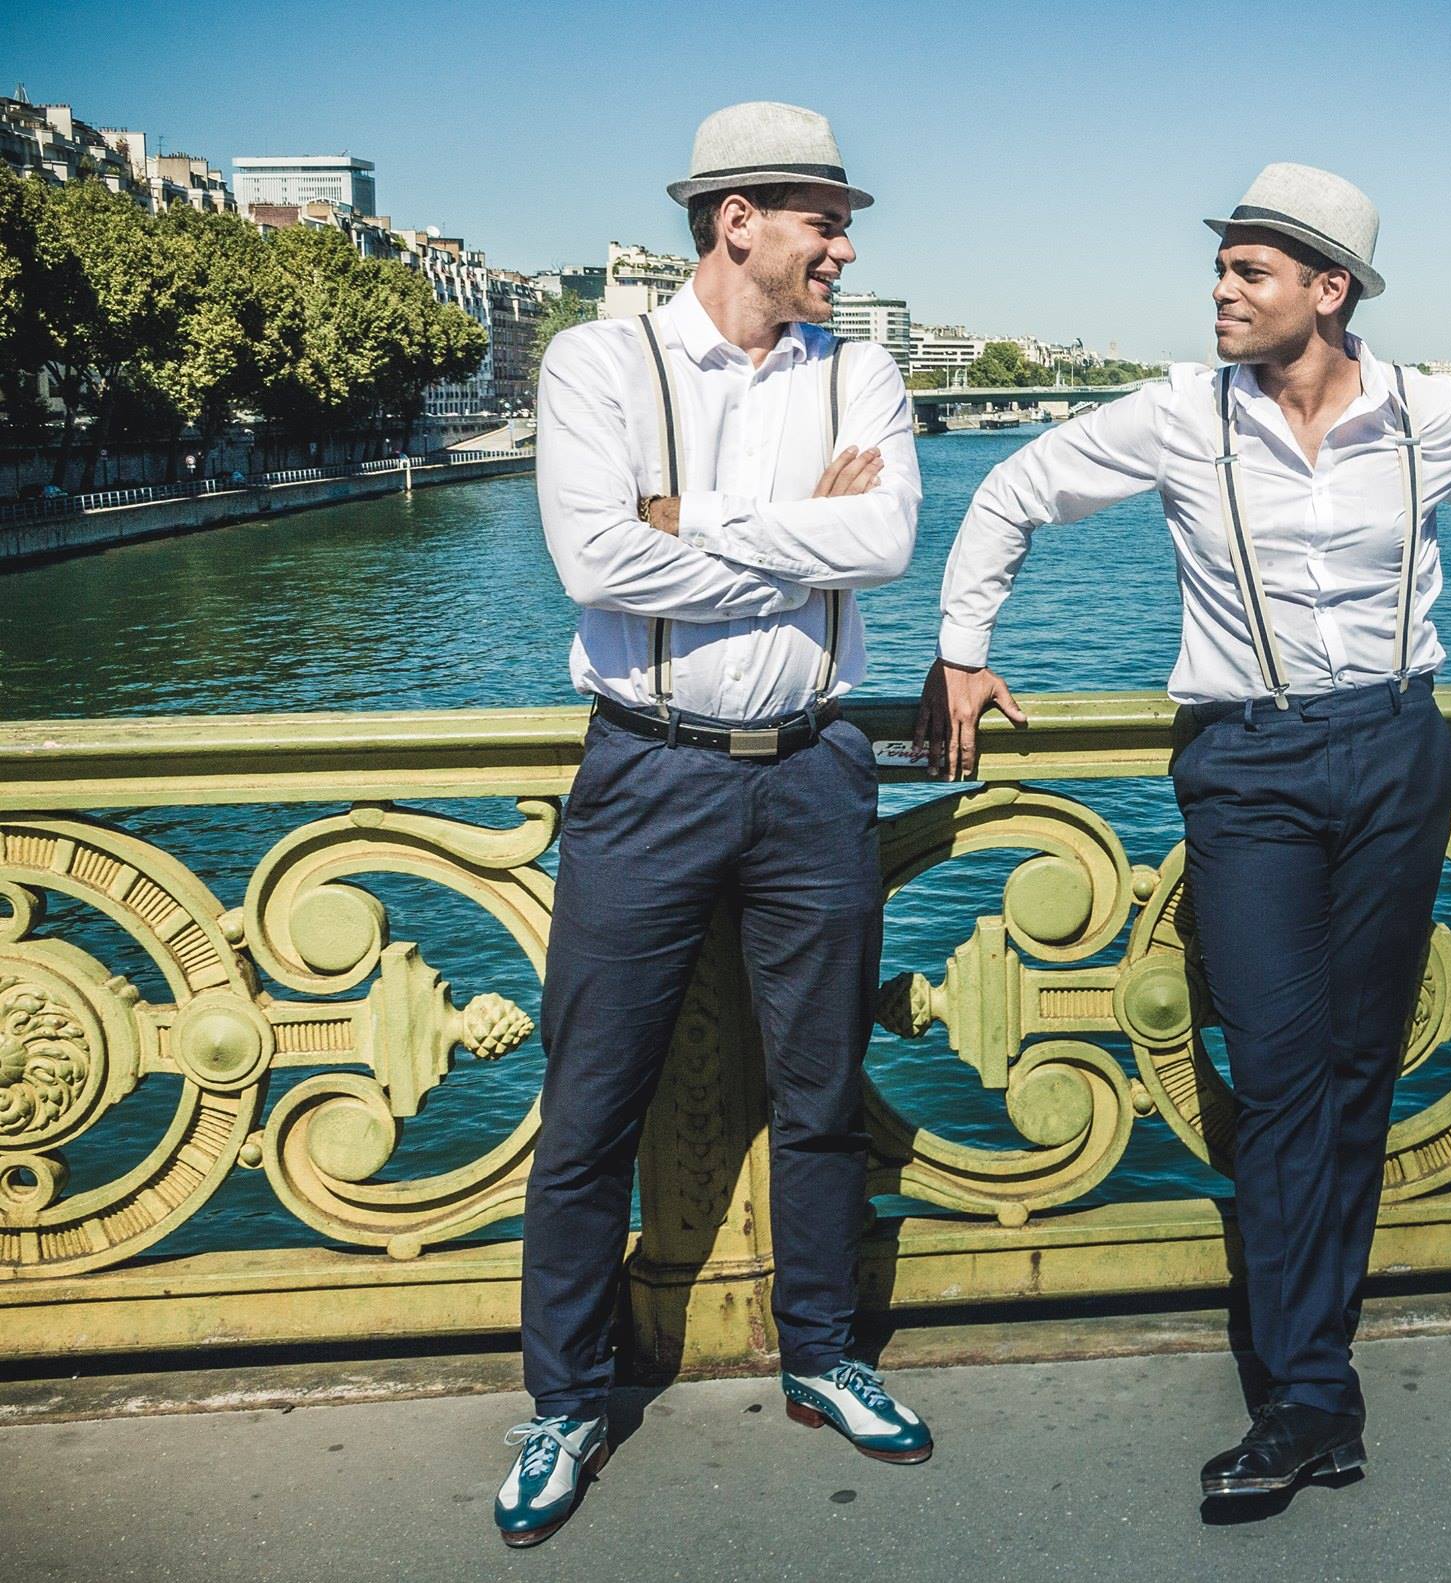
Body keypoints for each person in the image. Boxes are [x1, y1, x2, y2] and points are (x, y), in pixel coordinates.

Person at [917, 163, 1451, 1500]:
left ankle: (1313, 1381)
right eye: (1221, 269)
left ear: (1328, 292)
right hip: (1250, 764)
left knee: (1354, 1075)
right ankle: (1306, 1392)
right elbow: (1010, 495)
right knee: (1280, 1077)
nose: (1221, 291)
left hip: (1398, 751)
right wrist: (959, 653)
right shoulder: (1176, 417)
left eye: (1251, 273)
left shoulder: (1433, 415)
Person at [500, 101, 929, 1547]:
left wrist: (694, 529)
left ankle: (821, 1354)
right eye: (825, 215)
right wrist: (791, 533)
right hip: (651, 770)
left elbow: (883, 543)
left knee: (819, 1091)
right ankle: (564, 1400)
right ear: (736, 219)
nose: (846, 243)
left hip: (813, 769)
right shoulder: (597, 359)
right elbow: (591, 559)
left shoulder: (861, 371)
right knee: (592, 1097)